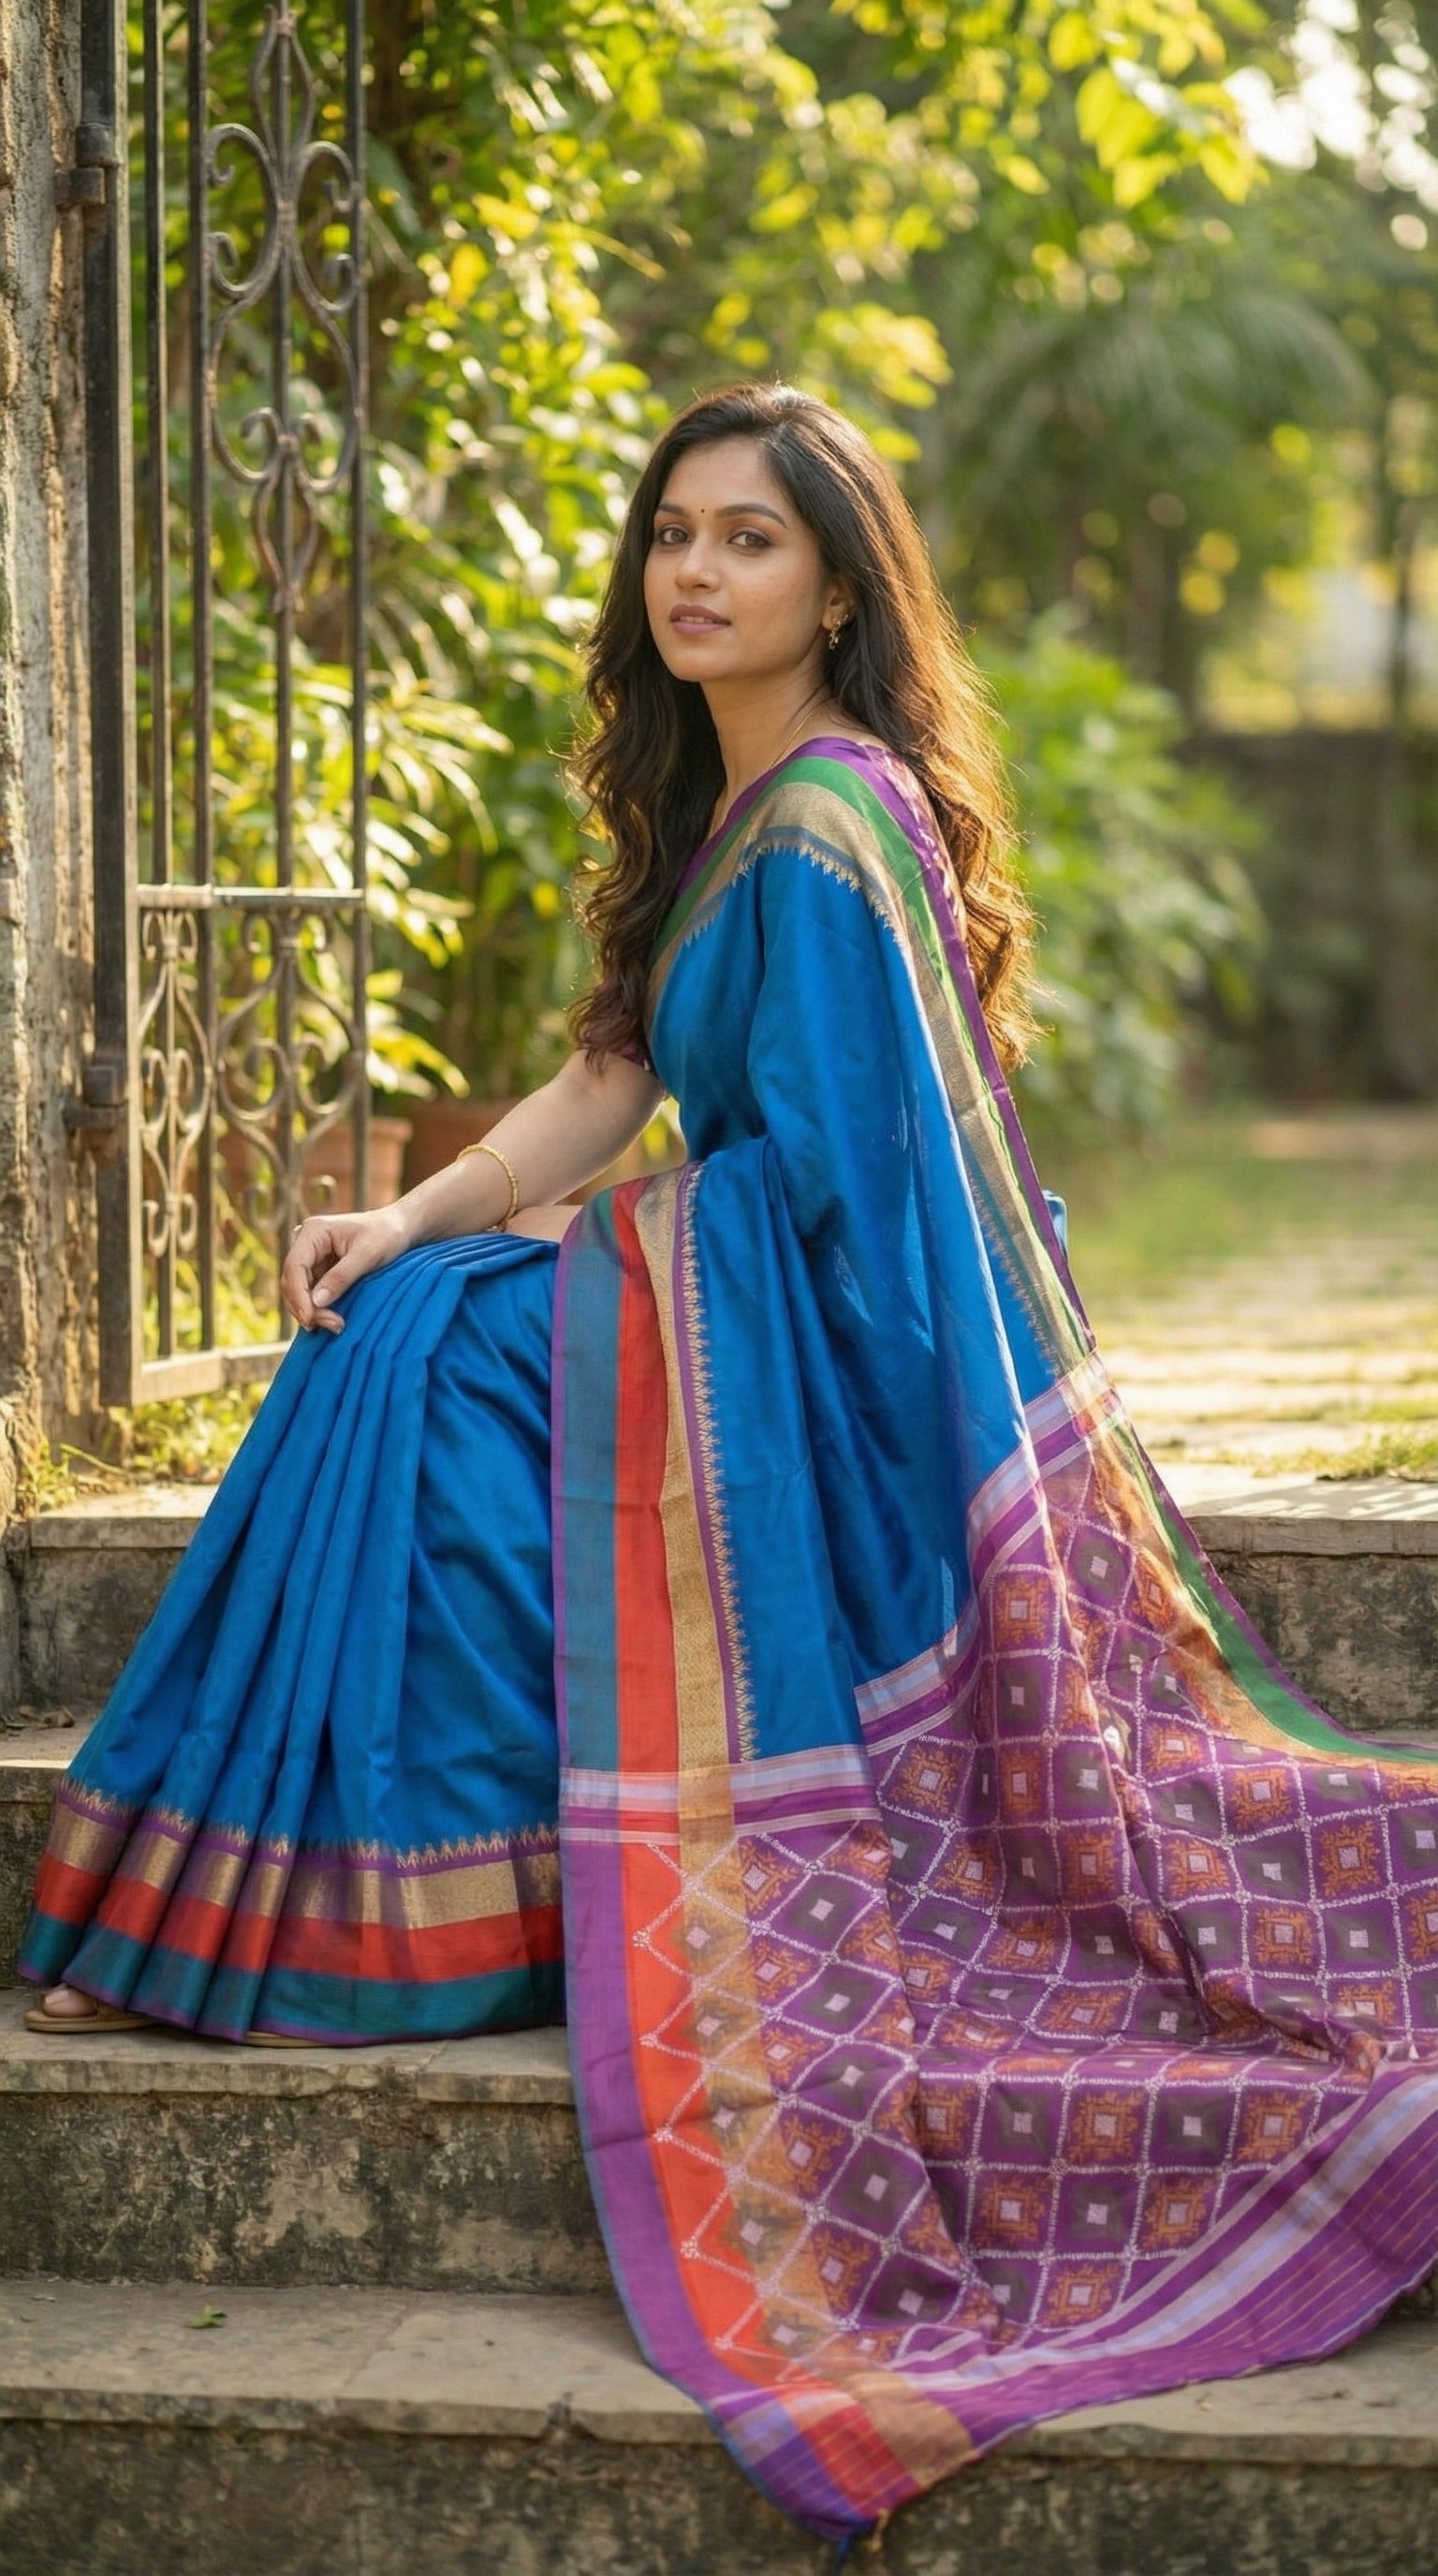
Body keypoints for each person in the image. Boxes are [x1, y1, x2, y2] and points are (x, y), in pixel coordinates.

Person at [17, 383, 1438, 2547]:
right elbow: (615, 1070)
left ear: (840, 583)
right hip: (718, 1319)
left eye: (750, 539)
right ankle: (328, 1904)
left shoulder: (839, 820)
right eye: (675, 532)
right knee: (384, 1320)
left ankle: (398, 1907)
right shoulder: (717, 803)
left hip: (822, 1386)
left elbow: (856, 1200)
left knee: (437, 1366)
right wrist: (410, 1211)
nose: (697, 570)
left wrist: (587, 1261)